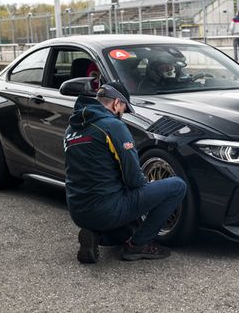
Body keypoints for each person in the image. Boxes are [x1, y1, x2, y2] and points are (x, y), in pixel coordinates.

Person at [63, 81, 187, 263]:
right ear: (116, 103)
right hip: (107, 209)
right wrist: (150, 191)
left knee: (128, 226)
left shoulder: (71, 129)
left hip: (78, 210)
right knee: (177, 186)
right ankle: (137, 246)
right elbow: (133, 178)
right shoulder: (112, 126)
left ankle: (96, 235)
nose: (122, 115)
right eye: (124, 109)